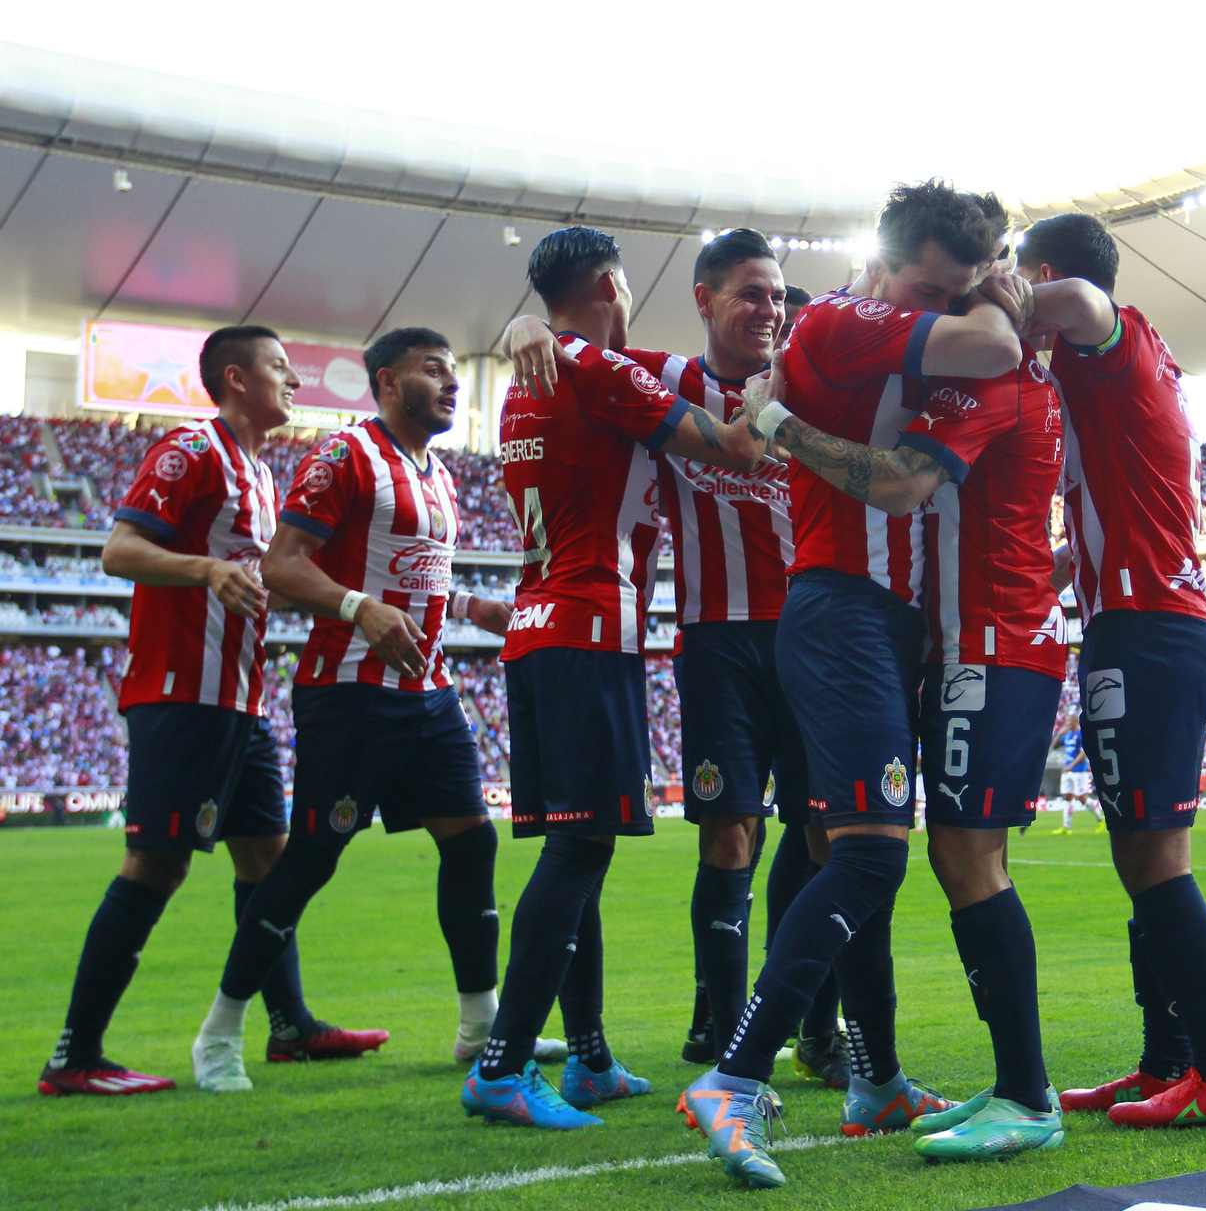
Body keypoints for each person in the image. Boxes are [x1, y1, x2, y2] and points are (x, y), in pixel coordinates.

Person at [678, 179, 1028, 1188]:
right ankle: (734, 1074)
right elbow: (996, 349)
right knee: (870, 857)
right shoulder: (838, 319)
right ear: (885, 263)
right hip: (839, 612)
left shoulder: (887, 331)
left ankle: (874, 1079)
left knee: (853, 847)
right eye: (927, 286)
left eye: (954, 290)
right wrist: (998, 295)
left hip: (883, 620)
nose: (940, 307)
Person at [504, 241, 849, 1088]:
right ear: (704, 299)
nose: (768, 312)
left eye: (778, 300)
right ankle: (723, 1026)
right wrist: (518, 324)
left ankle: (818, 1025)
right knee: (730, 832)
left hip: (810, 635)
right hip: (715, 641)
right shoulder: (658, 378)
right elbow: (569, 347)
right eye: (752, 296)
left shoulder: (818, 397)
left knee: (825, 837)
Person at [741, 283, 1072, 1158]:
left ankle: (1027, 1095)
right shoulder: (1001, 376)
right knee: (905, 853)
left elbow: (899, 486)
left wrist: (774, 419)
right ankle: (938, 1080)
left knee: (963, 858)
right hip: (961, 641)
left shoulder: (987, 381)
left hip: (987, 647)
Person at [467, 227, 769, 1129]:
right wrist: (776, 384)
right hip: (589, 627)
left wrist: (527, 321)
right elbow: (735, 448)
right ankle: (504, 1064)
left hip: (544, 626)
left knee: (578, 844)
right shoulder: (592, 367)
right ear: (608, 283)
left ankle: (589, 1057)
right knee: (578, 850)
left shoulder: (536, 375)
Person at [39, 327, 380, 1096]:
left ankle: (289, 1025)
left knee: (268, 859)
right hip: (181, 696)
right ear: (235, 377)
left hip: (242, 703)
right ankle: (75, 1054)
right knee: (157, 863)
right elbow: (119, 550)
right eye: (279, 369)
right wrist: (207, 569)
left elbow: (267, 576)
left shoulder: (262, 473)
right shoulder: (193, 449)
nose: (294, 382)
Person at [189, 328, 525, 1093]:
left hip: (428, 693)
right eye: (432, 371)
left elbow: (420, 575)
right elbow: (279, 565)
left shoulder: (436, 474)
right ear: (385, 382)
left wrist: (474, 603)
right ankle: (221, 1030)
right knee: (310, 858)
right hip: (350, 693)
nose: (450, 383)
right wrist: (357, 607)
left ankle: (481, 1028)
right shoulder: (346, 456)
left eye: (453, 371)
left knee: (472, 844)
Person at [1017, 212, 1206, 1129]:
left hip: (1148, 628)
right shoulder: (1137, 359)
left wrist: (984, 296)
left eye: (1018, 279)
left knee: (1155, 861)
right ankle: (1168, 1059)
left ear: (1037, 273)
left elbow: (1079, 298)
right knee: (1141, 857)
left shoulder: (1105, 338)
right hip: (1146, 623)